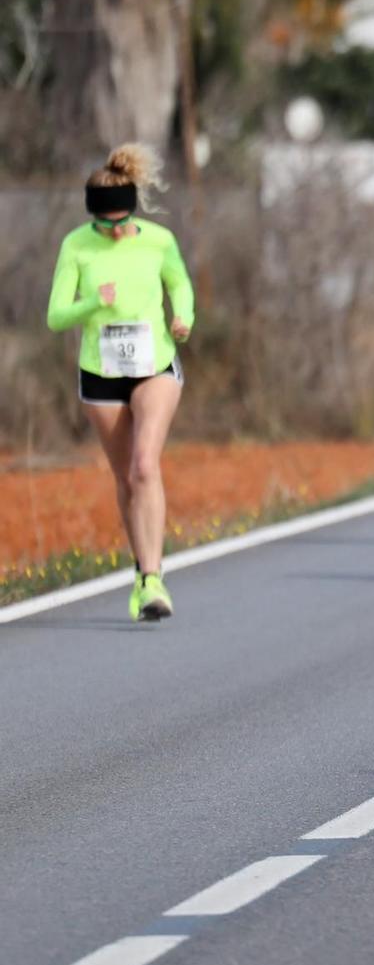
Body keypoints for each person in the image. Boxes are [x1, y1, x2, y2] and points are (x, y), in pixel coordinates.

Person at [45, 144, 193, 622]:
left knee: (146, 465)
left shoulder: (158, 239)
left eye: (122, 220)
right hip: (101, 373)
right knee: (125, 476)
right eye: (105, 224)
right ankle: (139, 570)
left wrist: (183, 316)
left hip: (154, 366)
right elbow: (54, 316)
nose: (116, 230)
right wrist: (92, 303)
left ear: (134, 208)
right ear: (93, 218)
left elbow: (180, 284)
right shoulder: (75, 246)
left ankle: (153, 579)